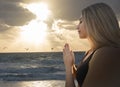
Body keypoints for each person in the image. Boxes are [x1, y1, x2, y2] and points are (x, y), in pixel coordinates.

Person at [63, 2, 120, 87]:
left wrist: (68, 68)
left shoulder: (105, 53)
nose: (77, 27)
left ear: (94, 23)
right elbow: (83, 79)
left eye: (81, 21)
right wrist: (71, 65)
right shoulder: (91, 51)